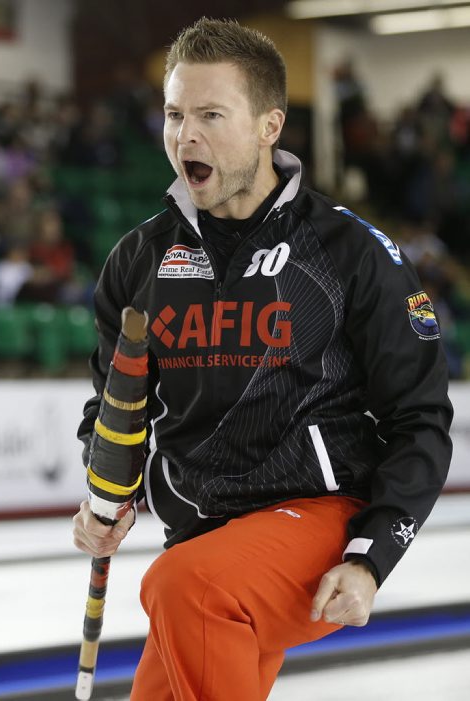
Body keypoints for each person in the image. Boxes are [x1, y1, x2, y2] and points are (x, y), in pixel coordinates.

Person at [73, 18, 453, 701]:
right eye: (174, 113)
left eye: (211, 114)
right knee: (188, 587)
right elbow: (114, 403)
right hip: (203, 540)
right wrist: (107, 495)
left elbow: (421, 416)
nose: (186, 135)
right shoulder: (138, 260)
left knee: (184, 586)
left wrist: (372, 556)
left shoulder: (348, 252)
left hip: (317, 520)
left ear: (270, 126)